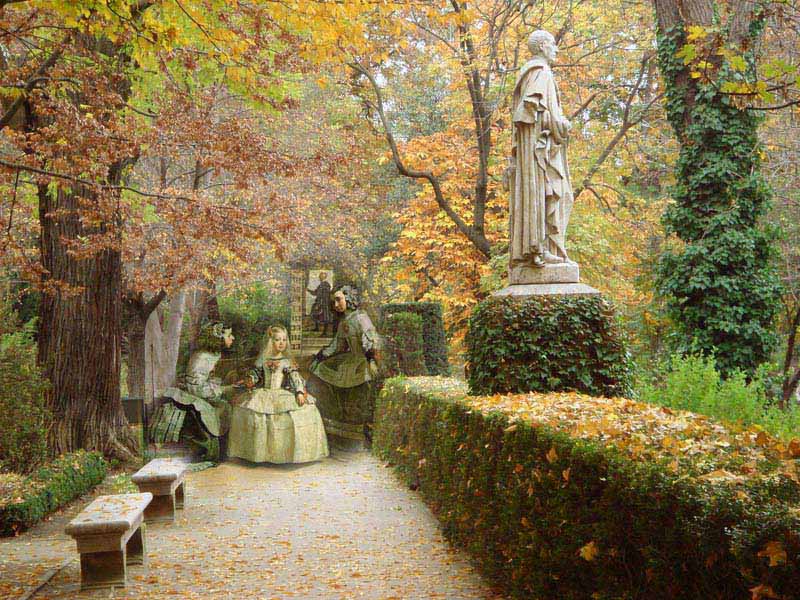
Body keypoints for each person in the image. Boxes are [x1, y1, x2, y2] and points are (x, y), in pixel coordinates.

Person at [506, 29, 575, 269]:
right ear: (543, 46)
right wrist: (564, 125)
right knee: (561, 194)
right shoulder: (542, 74)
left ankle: (540, 247)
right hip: (540, 151)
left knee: (546, 195)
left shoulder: (528, 74)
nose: (556, 49)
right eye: (553, 45)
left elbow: (529, 114)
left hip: (535, 149)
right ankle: (541, 248)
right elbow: (541, 117)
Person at [227, 326, 329, 464]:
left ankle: (286, 455)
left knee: (306, 410)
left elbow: (295, 378)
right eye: (277, 340)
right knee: (249, 411)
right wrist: (250, 379)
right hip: (265, 392)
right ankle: (260, 455)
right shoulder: (262, 360)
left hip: (281, 393)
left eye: (284, 340)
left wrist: (299, 392)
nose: (281, 343)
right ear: (270, 341)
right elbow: (256, 375)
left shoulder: (286, 361)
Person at [150, 322, 235, 461]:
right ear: (218, 337)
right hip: (195, 395)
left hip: (203, 392)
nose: (233, 338)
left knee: (226, 405)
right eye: (229, 335)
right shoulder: (203, 357)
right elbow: (197, 388)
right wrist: (223, 389)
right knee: (223, 408)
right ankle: (213, 452)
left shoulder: (213, 354)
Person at [307, 271, 333, 336]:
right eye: (319, 276)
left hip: (324, 303)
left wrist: (319, 304)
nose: (319, 277)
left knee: (325, 317)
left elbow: (324, 296)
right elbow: (315, 293)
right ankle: (317, 328)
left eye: (320, 276)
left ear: (324, 277)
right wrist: (308, 290)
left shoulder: (326, 285)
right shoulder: (320, 285)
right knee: (314, 313)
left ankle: (325, 332)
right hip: (319, 302)